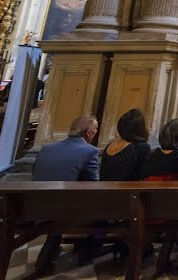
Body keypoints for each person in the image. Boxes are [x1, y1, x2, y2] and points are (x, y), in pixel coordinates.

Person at [32, 116, 100, 272]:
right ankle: (90, 245)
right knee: (101, 212)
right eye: (95, 130)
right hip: (64, 212)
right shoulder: (90, 151)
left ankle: (52, 247)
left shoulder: (47, 149)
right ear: (89, 132)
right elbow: (95, 187)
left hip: (34, 208)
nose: (95, 133)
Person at [100, 108, 151, 181]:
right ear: (140, 128)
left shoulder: (111, 144)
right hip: (127, 190)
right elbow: (143, 175)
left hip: (104, 189)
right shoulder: (142, 147)